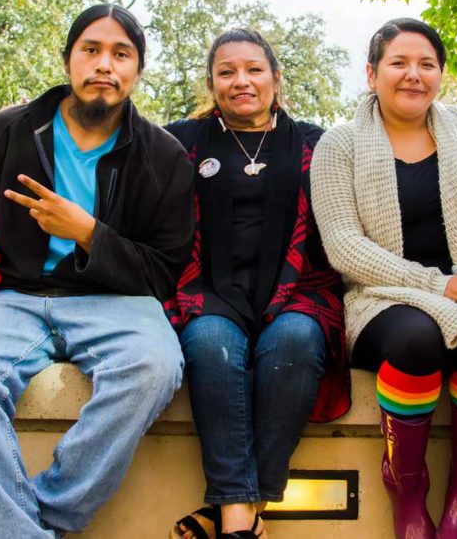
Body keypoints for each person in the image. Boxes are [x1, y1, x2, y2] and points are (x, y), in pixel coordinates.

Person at [0, 4, 195, 538]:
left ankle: (32, 522)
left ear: (137, 71)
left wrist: (88, 233)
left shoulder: (163, 156)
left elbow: (163, 272)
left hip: (116, 302)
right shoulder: (7, 131)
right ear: (68, 60)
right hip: (8, 297)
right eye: (91, 50)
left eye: (121, 54)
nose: (104, 64)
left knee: (156, 366)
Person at [311, 18, 457, 539]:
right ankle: (407, 492)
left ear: (441, 73)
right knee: (416, 339)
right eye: (398, 63)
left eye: (427, 64)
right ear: (372, 72)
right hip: (378, 296)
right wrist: (431, 285)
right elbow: (343, 247)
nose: (413, 75)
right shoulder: (341, 143)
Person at [164, 28, 348, 539]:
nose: (241, 81)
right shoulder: (182, 141)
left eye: (253, 69)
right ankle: (243, 520)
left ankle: (232, 511)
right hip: (208, 287)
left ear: (275, 78)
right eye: (227, 72)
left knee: (294, 342)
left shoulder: (317, 143)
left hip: (299, 287)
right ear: (212, 83)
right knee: (210, 345)